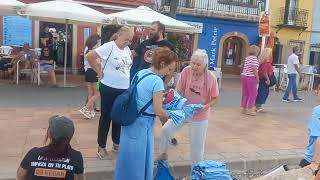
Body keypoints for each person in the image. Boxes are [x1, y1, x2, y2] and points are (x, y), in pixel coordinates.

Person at [114, 47, 177, 180]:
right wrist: (174, 114)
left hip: (130, 120)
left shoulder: (140, 73)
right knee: (139, 161)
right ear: (162, 64)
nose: (169, 72)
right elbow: (158, 110)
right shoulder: (157, 81)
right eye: (169, 69)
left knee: (126, 159)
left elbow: (138, 96)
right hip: (142, 125)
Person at [157, 49, 219, 165]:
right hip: (183, 111)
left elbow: (215, 98)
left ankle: (196, 173)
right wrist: (172, 101)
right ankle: (163, 154)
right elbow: (179, 90)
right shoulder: (186, 71)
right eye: (193, 63)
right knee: (166, 129)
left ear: (205, 65)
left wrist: (204, 107)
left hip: (200, 116)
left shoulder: (211, 77)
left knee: (197, 149)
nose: (194, 66)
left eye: (198, 64)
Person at [85, 26, 133, 159]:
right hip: (109, 87)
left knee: (119, 117)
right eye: (125, 39)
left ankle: (116, 143)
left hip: (124, 88)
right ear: (118, 36)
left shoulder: (127, 49)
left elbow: (128, 64)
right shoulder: (109, 46)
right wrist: (99, 71)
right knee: (106, 117)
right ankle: (101, 147)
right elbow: (89, 56)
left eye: (129, 41)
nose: (127, 43)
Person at [130, 21, 178, 144]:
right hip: (143, 80)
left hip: (158, 82)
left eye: (152, 29)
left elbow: (172, 66)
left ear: (160, 31)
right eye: (150, 29)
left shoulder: (168, 45)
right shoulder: (144, 43)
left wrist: (166, 82)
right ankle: (138, 131)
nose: (150, 31)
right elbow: (133, 54)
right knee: (143, 107)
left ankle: (168, 133)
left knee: (159, 108)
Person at [16, 115, 84, 180]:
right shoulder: (76, 157)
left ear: (49, 134)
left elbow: (20, 176)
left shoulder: (33, 154)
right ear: (71, 136)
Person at [79, 34, 101, 119]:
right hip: (94, 72)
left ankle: (90, 112)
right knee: (97, 93)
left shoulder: (87, 50)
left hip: (88, 72)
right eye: (98, 41)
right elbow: (98, 62)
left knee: (90, 93)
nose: (99, 43)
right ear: (95, 42)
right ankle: (86, 108)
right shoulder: (94, 51)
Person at [241, 45, 260, 116]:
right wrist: (257, 78)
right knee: (253, 94)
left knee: (245, 93)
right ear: (256, 51)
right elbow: (254, 69)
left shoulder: (247, 58)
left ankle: (244, 108)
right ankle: (250, 109)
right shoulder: (254, 59)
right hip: (251, 77)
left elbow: (244, 66)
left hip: (244, 76)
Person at [255, 48, 273, 112]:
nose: (271, 54)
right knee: (263, 93)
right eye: (270, 53)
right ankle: (258, 107)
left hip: (262, 79)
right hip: (264, 79)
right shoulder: (265, 62)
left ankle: (258, 106)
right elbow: (264, 72)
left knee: (262, 92)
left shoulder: (262, 61)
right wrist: (268, 79)